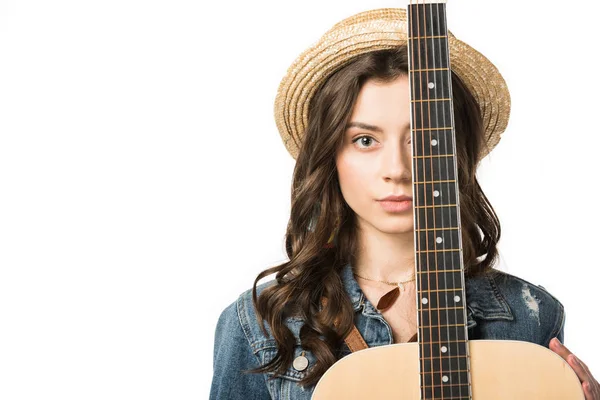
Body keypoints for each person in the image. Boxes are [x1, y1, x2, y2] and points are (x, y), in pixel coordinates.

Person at [210, 8, 599, 400]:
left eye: (422, 141)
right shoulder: (259, 323)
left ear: (455, 152)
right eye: (365, 140)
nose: (397, 169)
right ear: (331, 155)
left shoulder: (530, 317)